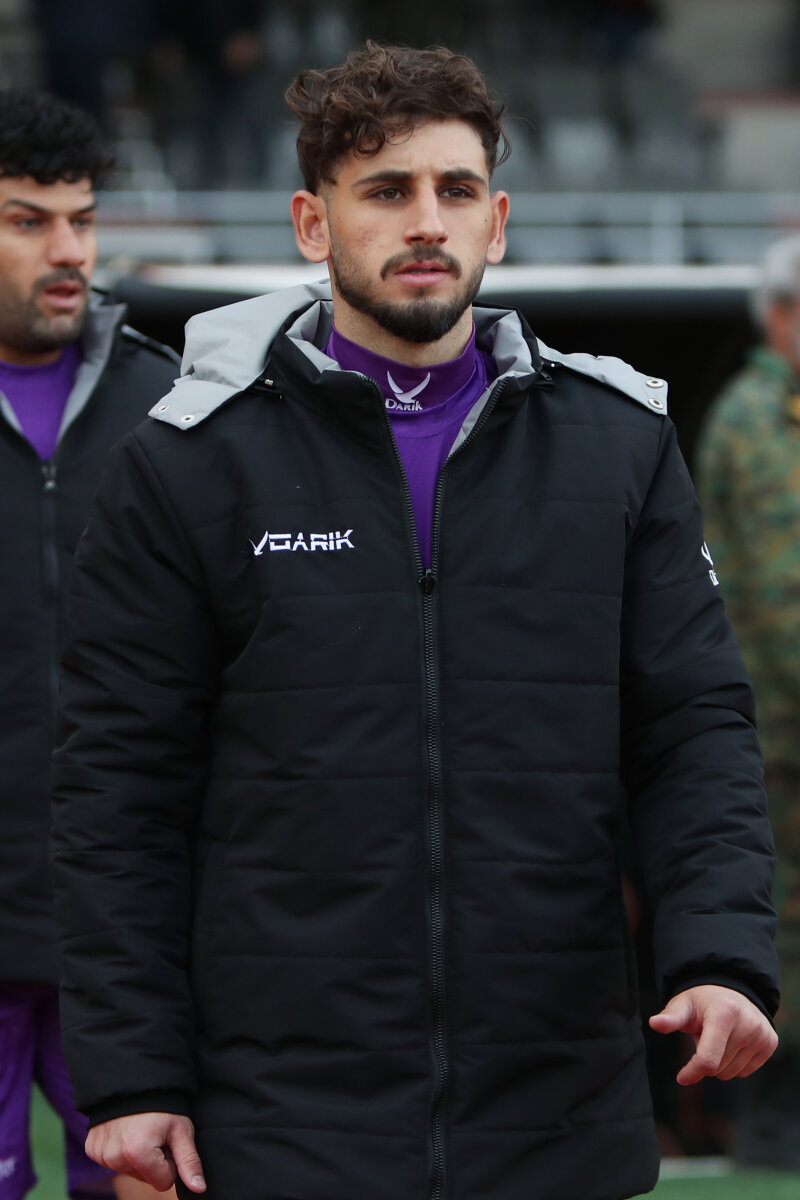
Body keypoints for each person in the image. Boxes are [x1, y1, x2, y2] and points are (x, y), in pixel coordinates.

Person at [52, 44, 779, 1200]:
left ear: (497, 220)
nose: (425, 221)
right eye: (385, 190)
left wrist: (721, 957)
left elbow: (690, 734)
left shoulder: (619, 445)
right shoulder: (186, 464)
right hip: (285, 1115)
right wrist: (134, 1072)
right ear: (312, 221)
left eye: (453, 189)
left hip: (556, 1109)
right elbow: (118, 791)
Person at [0, 90, 180, 1200]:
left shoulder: (172, 405)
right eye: (27, 221)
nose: (69, 251)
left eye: (82, 219)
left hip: (133, 929)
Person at [696, 233, 800, 1168]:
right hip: (778, 737)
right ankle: (772, 1121)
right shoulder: (759, 417)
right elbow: (777, 590)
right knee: (782, 922)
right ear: (779, 317)